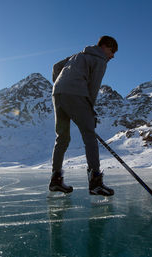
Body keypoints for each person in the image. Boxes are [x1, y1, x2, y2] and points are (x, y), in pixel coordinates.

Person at [49, 36, 118, 196]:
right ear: (104, 47)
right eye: (112, 51)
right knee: (89, 135)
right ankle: (95, 182)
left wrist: (61, 83)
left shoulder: (78, 55)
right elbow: (93, 88)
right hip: (76, 94)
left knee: (62, 137)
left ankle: (55, 180)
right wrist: (90, 112)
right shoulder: (100, 60)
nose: (112, 56)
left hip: (58, 93)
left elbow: (56, 66)